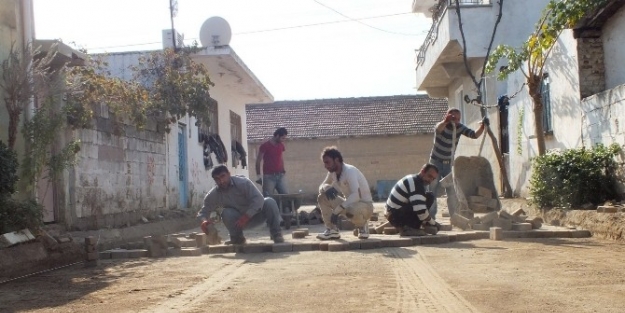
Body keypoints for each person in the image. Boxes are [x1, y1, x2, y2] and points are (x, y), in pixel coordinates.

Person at [197, 165, 284, 244]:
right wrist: (204, 221)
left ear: (229, 174)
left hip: (257, 215)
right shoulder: (214, 194)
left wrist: (247, 216)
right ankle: (237, 238)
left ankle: (276, 234)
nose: (221, 181)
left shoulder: (243, 183)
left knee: (269, 201)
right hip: (238, 222)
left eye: (223, 176)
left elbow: (258, 199)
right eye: (217, 179)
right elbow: (203, 212)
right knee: (226, 212)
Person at [429, 108, 487, 218]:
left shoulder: (459, 128)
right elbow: (438, 129)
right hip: (435, 163)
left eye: (458, 119)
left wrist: (482, 127)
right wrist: (446, 121)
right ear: (448, 116)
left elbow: (474, 135)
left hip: (448, 164)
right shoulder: (441, 126)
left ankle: (455, 217)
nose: (456, 121)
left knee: (451, 191)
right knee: (432, 190)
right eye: (454, 118)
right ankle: (430, 218)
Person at [316, 146, 374, 240]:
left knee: (351, 210)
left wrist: (336, 211)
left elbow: (356, 195)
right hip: (349, 205)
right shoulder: (332, 172)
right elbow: (321, 186)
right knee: (322, 197)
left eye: (327, 162)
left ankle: (362, 225)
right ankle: (332, 230)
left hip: (365, 206)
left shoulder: (349, 171)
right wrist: (326, 187)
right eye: (324, 163)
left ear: (337, 160)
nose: (326, 166)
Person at [385, 163, 441, 236]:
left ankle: (414, 226)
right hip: (395, 216)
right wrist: (433, 223)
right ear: (422, 171)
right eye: (429, 176)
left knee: (429, 196)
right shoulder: (416, 184)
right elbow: (421, 211)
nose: (430, 180)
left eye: (433, 179)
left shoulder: (414, 179)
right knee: (428, 199)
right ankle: (408, 229)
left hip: (393, 213)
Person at [255, 127, 289, 196]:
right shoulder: (265, 146)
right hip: (269, 176)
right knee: (268, 197)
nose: (283, 140)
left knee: (286, 196)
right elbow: (258, 160)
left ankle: (284, 207)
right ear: (277, 136)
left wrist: (283, 170)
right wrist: (258, 175)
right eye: (282, 138)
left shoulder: (281, 145)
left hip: (280, 175)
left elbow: (280, 158)